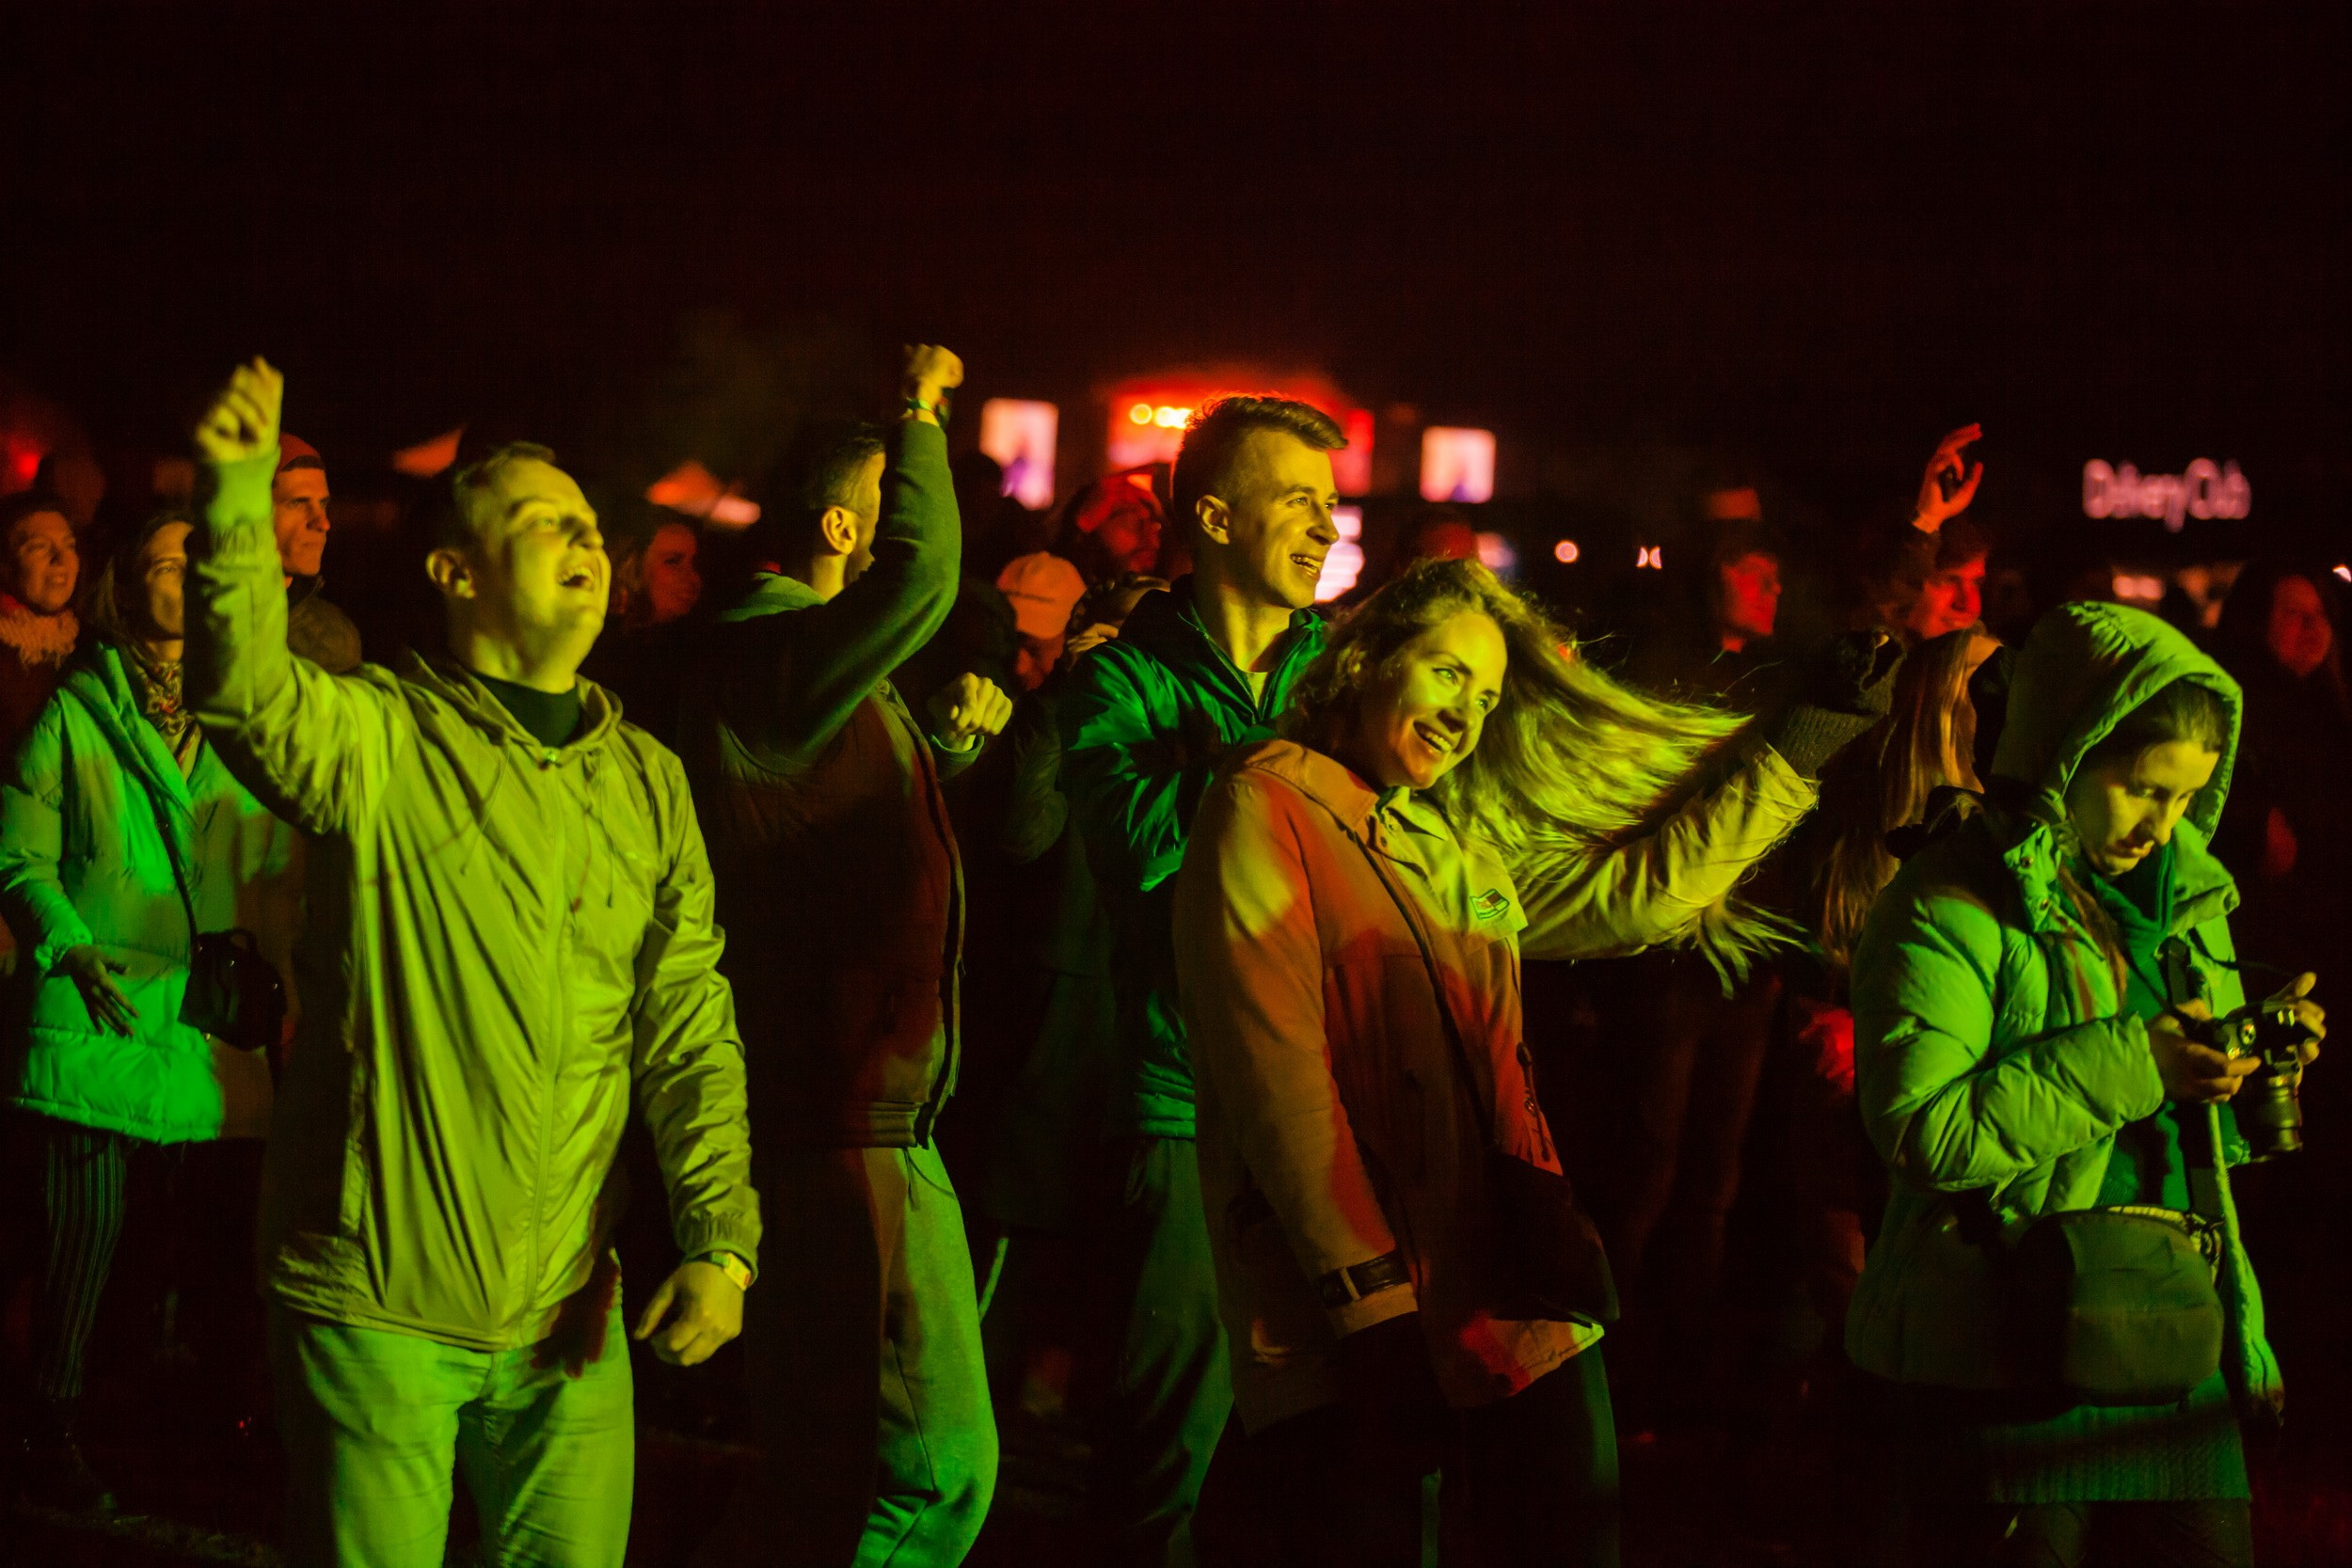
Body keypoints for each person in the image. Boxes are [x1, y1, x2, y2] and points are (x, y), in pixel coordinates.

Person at [1172, 558, 1899, 1568]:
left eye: (1487, 692)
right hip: (1355, 1305)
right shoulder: (1264, 809)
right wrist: (1368, 1300)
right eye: (1446, 673)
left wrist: (1798, 742)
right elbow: (1278, 1078)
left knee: (1574, 1531)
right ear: (1366, 658)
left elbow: (1642, 894)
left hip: (1514, 1267)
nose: (1468, 711)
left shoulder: (1454, 841)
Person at [184, 358, 761, 1568]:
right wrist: (237, 505)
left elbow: (687, 1019)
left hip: (569, 1313)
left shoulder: (644, 777)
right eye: (547, 522)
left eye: (593, 527)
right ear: (455, 570)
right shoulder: (380, 736)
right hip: (379, 1304)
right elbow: (242, 695)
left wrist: (720, 1238)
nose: (587, 544)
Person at [1848, 601, 2326, 1568]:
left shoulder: (2186, 898)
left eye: (2188, 797)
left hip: (2174, 1342)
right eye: (2141, 789)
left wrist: (2240, 1060)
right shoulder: (1947, 898)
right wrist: (2136, 1060)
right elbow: (1923, 1130)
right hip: (2009, 1349)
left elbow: (2186, 1131)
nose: (2163, 825)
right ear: (2065, 750)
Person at [680, 345, 1012, 1568]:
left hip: (875, 1111)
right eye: (883, 502)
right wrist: (919, 412)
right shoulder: (773, 654)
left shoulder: (802, 667)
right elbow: (924, 573)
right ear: (837, 523)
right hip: (836, 1121)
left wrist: (950, 759)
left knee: (898, 1463)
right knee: (892, 1467)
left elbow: (837, 830)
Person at [1057, 396, 1348, 1563]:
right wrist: (1299, 771)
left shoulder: (1348, 674)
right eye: (1299, 501)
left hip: (1338, 1111)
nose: (1326, 527)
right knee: (1164, 1461)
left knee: (1331, 1464)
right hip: (1184, 1108)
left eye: (1333, 505)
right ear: (1214, 516)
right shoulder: (1119, 681)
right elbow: (1136, 842)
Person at [0, 509, 292, 1513]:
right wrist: (68, 945)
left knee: (203, 1244)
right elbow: (16, 852)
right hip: (100, 1012)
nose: (190, 574)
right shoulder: (77, 713)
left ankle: (191, 1422)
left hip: (205, 1022)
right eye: (171, 560)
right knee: (84, 1237)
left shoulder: (248, 710)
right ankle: (52, 1422)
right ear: (130, 583)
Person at [270, 435, 363, 673]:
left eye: (323, 504)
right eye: (298, 503)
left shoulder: (329, 637)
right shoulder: (197, 618)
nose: (323, 523)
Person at [0, 492, 82, 753]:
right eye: (39, 547)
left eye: (69, 545)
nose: (60, 559)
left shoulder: (89, 642)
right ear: (5, 566)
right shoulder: (6, 654)